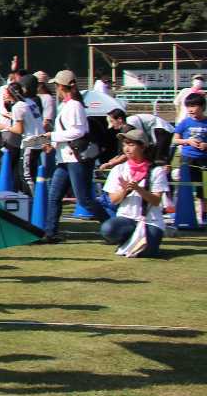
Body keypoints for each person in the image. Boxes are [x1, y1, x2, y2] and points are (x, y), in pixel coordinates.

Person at [46, 69, 102, 239]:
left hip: (75, 159)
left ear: (61, 86)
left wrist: (53, 137)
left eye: (56, 85)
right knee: (54, 196)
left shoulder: (74, 106)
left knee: (84, 199)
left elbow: (78, 132)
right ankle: (50, 233)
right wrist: (53, 144)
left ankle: (111, 225)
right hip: (65, 158)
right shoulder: (68, 105)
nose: (55, 88)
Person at [100, 129, 168, 258]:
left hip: (150, 220)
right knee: (107, 229)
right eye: (125, 144)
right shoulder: (119, 169)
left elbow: (156, 201)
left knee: (148, 253)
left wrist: (138, 189)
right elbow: (113, 200)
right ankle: (128, 241)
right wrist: (125, 190)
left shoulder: (156, 170)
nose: (127, 148)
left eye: (131, 144)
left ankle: (136, 243)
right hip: (126, 218)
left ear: (142, 147)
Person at [172, 92, 207, 231]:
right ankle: (180, 213)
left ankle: (204, 216)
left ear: (202, 106)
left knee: (203, 190)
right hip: (187, 159)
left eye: (194, 106)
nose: (191, 109)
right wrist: (188, 141)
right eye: (188, 106)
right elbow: (175, 139)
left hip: (204, 159)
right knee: (184, 186)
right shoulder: (185, 123)